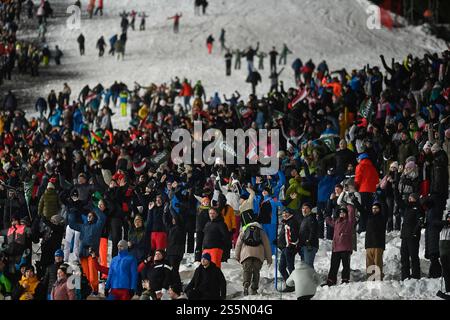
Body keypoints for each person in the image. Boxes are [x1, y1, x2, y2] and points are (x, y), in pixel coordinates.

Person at [68, 206, 106, 294]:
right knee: (85, 275)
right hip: (82, 253)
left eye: (91, 216)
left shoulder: (98, 226)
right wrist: (72, 211)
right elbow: (71, 224)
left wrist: (93, 208)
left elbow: (103, 217)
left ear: (94, 217)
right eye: (88, 216)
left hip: (92, 253)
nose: (89, 217)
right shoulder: (83, 226)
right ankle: (88, 291)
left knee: (93, 276)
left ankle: (95, 290)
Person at [235, 216, 272, 295]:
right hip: (258, 255)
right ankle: (254, 289)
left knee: (246, 270)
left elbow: (238, 244)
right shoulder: (261, 231)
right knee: (256, 271)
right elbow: (267, 245)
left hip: (246, 254)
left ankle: (246, 284)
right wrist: (269, 259)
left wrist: (237, 256)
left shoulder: (245, 230)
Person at [324, 206, 355, 286]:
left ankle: (345, 280)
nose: (342, 214)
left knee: (346, 265)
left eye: (344, 212)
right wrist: (326, 216)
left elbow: (351, 211)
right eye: (340, 213)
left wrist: (347, 204)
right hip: (336, 248)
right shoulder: (337, 222)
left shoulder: (349, 222)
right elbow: (329, 221)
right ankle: (331, 280)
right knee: (333, 265)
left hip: (345, 248)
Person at [400, 193, 424, 280]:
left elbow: (420, 222)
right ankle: (405, 276)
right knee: (404, 256)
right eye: (409, 198)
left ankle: (415, 276)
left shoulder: (418, 208)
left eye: (412, 198)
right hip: (405, 236)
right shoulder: (407, 208)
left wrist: (415, 233)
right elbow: (399, 201)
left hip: (413, 236)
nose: (409, 199)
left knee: (413, 256)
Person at [354, 153, 379, 233]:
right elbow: (376, 180)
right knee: (369, 209)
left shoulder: (360, 166)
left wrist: (356, 187)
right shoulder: (373, 167)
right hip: (372, 191)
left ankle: (362, 228)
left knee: (362, 209)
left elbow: (358, 178)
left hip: (363, 190)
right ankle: (369, 227)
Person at [365, 202, 386, 280]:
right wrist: (355, 201)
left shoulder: (382, 217)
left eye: (376, 208)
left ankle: (378, 280)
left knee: (377, 264)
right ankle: (370, 280)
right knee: (369, 264)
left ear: (380, 209)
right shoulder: (369, 217)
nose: (374, 210)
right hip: (369, 244)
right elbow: (362, 210)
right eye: (373, 208)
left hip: (378, 244)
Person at [298, 203, 319, 269]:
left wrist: (308, 241)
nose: (304, 210)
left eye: (306, 208)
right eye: (303, 208)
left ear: (310, 210)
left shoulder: (311, 218)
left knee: (308, 266)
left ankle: (312, 279)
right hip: (303, 246)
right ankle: (306, 279)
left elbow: (313, 231)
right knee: (304, 267)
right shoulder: (304, 219)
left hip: (309, 246)